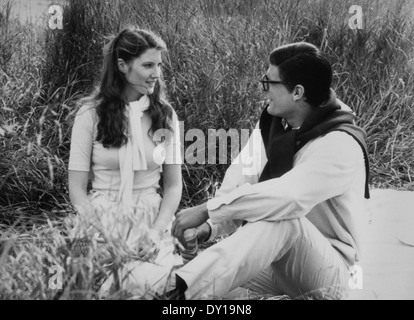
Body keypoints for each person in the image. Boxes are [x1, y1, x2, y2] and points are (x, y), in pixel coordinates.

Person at [172, 42, 370, 300]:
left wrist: (206, 209)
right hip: (280, 263)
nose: (263, 91)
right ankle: (180, 288)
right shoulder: (274, 125)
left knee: (284, 219)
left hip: (334, 275)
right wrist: (207, 228)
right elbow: (240, 182)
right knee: (213, 286)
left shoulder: (340, 143)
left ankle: (177, 295)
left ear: (297, 92)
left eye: (269, 83)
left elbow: (286, 198)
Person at [67, 26, 183, 297]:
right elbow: (76, 188)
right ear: (122, 65)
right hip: (98, 216)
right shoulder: (89, 115)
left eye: (158, 65)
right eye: (147, 65)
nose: (156, 73)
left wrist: (155, 233)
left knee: (149, 286)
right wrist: (102, 237)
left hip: (150, 217)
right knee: (79, 282)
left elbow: (174, 186)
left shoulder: (165, 114)